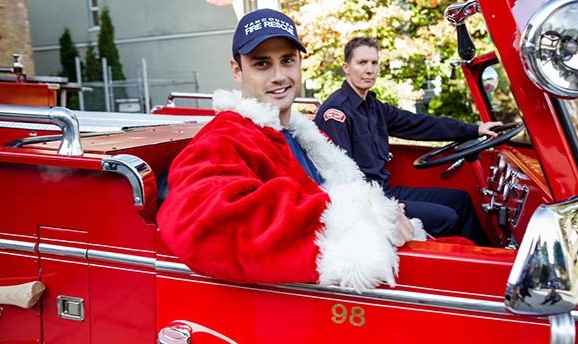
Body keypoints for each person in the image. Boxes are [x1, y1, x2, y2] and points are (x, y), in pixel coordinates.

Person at [157, 9, 426, 292]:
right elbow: (201, 221)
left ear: (299, 63)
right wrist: (367, 216)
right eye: (262, 64)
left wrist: (385, 213)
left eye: (287, 61)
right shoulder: (224, 137)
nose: (279, 76)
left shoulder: (307, 135)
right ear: (237, 71)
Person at [315, 37, 501, 245]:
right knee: (447, 217)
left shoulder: (374, 107)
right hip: (370, 204)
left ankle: (492, 257)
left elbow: (420, 124)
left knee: (461, 201)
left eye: (374, 63)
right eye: (362, 63)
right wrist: (384, 208)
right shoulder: (336, 112)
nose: (369, 70)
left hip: (387, 191)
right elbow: (341, 177)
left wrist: (475, 129)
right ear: (346, 68)